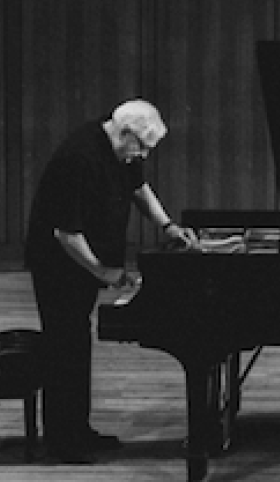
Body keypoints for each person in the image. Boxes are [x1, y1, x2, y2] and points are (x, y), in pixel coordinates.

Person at [23, 98, 197, 462]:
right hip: (58, 263)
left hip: (82, 257)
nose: (144, 156)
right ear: (126, 133)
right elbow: (66, 233)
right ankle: (62, 442)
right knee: (64, 344)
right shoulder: (80, 158)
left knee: (76, 343)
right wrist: (103, 272)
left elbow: (139, 189)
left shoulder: (117, 144)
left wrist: (167, 226)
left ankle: (78, 430)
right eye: (143, 148)